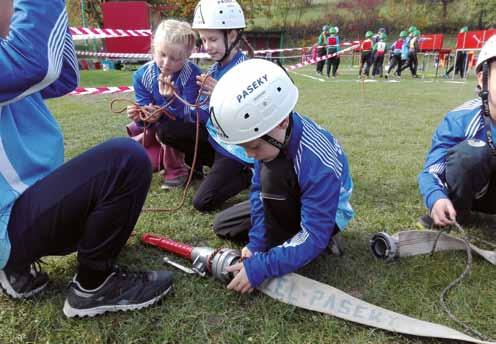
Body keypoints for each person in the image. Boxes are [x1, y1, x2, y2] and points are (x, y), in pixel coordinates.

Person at [0, 0, 172, 318]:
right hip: (11, 222)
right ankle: (94, 286)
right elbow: (34, 64)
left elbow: (61, 75)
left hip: (20, 213)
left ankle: (13, 265)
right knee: (127, 159)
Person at [208, 59, 355, 292]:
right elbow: (257, 192)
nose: (250, 155)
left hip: (327, 214)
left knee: (274, 179)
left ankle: (319, 241)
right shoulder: (273, 139)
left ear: (282, 121)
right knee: (224, 224)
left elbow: (314, 233)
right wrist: (256, 242)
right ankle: (281, 239)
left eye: (254, 147)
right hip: (286, 195)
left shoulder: (317, 162)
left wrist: (261, 266)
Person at [156, 0, 253, 212]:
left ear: (233, 35)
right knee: (166, 130)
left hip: (237, 151)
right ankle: (200, 167)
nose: (207, 46)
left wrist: (224, 93)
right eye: (203, 40)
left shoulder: (249, 71)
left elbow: (253, 118)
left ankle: (247, 172)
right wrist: (173, 99)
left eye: (213, 39)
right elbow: (197, 116)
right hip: (215, 141)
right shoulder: (211, 72)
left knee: (202, 202)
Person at [418, 35, 496, 228]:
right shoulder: (461, 119)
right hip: (479, 193)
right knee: (470, 154)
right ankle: (457, 214)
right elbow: (432, 171)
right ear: (482, 78)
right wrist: (436, 198)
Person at [127, 19, 202, 189]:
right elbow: (144, 110)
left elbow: (192, 114)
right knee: (146, 163)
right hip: (155, 131)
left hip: (183, 130)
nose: (167, 63)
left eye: (175, 58)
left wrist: (171, 100)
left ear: (188, 55)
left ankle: (179, 170)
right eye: (162, 54)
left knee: (168, 128)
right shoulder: (142, 75)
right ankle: (162, 160)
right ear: (154, 48)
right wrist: (142, 116)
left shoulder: (193, 75)